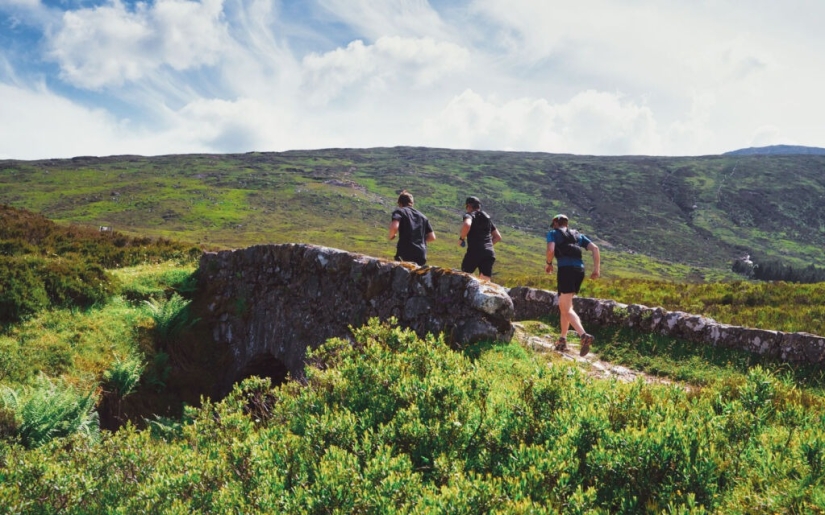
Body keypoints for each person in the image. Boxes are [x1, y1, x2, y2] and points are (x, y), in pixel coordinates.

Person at [544, 214, 600, 356]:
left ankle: (584, 336)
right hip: (579, 271)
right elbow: (595, 248)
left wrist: (549, 263)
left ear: (555, 223)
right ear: (567, 224)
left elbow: (551, 250)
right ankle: (562, 340)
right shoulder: (577, 235)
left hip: (566, 270)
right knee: (565, 306)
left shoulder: (553, 233)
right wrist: (596, 270)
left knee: (566, 308)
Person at [458, 196, 502, 281]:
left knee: (464, 277)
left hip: (474, 251)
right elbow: (497, 237)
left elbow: (467, 225)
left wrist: (461, 238)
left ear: (468, 206)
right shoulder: (487, 218)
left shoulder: (469, 215)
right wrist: (487, 247)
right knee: (485, 281)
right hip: (489, 253)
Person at [388, 190, 436, 266]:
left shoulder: (400, 211)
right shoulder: (423, 217)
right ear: (412, 203)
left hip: (405, 251)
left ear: (399, 203)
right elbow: (432, 237)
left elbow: (394, 226)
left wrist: (391, 236)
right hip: (421, 254)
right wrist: (419, 240)